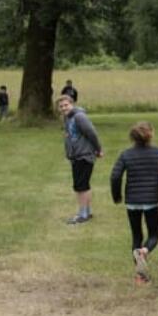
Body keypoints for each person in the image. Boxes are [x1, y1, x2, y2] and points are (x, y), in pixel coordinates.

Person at [110, 122, 158, 284]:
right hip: (151, 201)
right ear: (150, 135)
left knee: (136, 235)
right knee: (153, 235)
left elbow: (115, 176)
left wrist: (117, 196)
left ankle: (140, 276)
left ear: (132, 137)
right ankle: (145, 251)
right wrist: (157, 181)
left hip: (132, 201)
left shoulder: (126, 154)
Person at [57, 94, 102, 225]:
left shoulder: (79, 117)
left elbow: (92, 133)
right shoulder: (67, 118)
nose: (64, 108)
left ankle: (82, 214)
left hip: (84, 156)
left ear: (72, 104)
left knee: (80, 186)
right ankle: (86, 212)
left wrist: (98, 149)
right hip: (76, 156)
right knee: (83, 185)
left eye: (66, 105)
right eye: (61, 106)